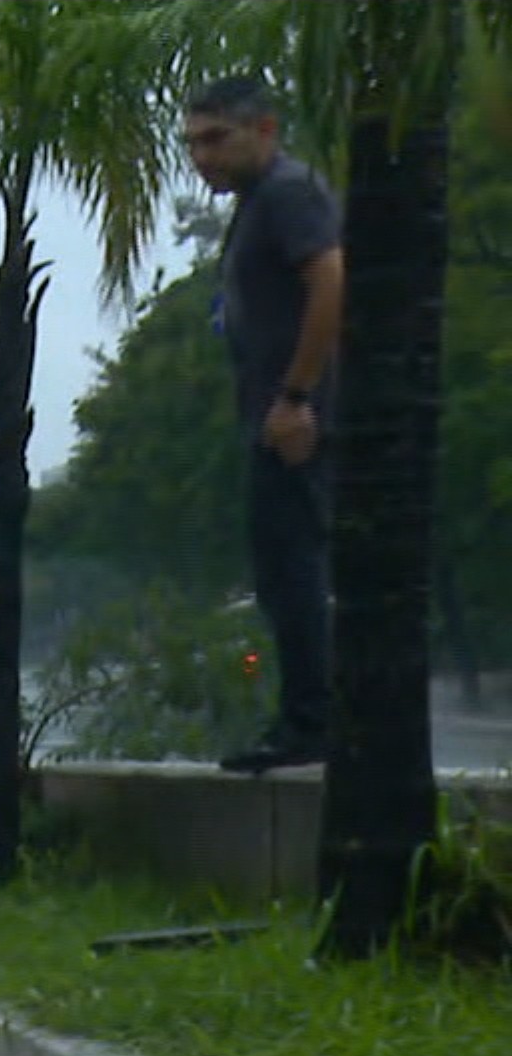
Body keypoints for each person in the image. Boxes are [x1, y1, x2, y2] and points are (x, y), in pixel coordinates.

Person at [183, 75, 346, 775]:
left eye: (217, 139)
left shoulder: (286, 192)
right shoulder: (257, 204)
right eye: (191, 145)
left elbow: (331, 280)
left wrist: (297, 397)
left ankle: (313, 724)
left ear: (266, 130)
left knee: (295, 570)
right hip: (270, 416)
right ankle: (307, 717)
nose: (203, 158)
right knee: (281, 576)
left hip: (295, 418)